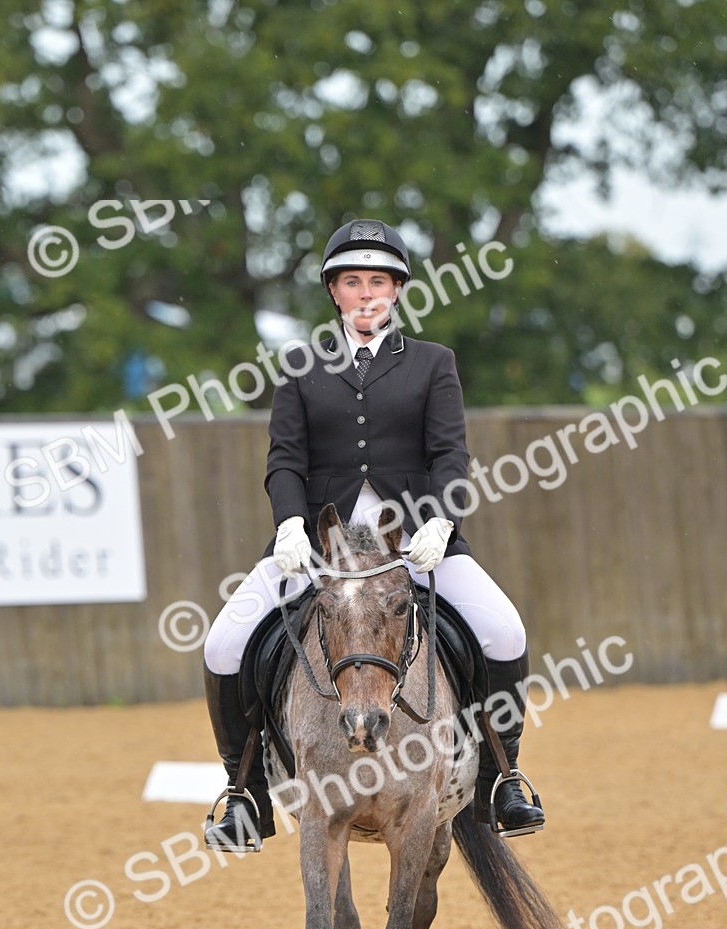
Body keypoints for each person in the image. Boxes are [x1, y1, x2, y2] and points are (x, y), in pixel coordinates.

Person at [202, 219, 544, 851]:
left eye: (378, 281)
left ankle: (503, 780)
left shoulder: (432, 364)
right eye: (353, 281)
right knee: (224, 644)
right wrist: (288, 526)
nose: (366, 293)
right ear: (335, 291)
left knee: (504, 630)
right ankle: (242, 793)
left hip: (414, 542)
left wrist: (443, 520)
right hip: (317, 546)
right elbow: (285, 460)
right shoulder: (301, 367)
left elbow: (448, 454)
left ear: (396, 291)